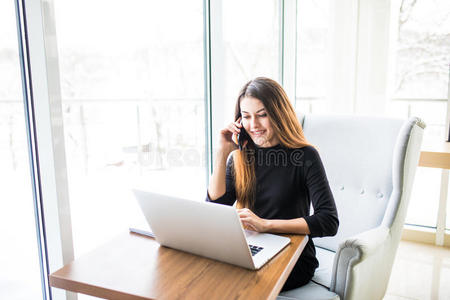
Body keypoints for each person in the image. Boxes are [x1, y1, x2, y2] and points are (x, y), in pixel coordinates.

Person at [205, 77, 339, 291]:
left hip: (293, 257)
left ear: (278, 114)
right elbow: (214, 211)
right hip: (251, 247)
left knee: (233, 285)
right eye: (246, 117)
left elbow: (329, 221)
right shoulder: (240, 157)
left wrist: (265, 224)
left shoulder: (305, 156)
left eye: (262, 115)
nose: (253, 125)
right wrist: (222, 154)